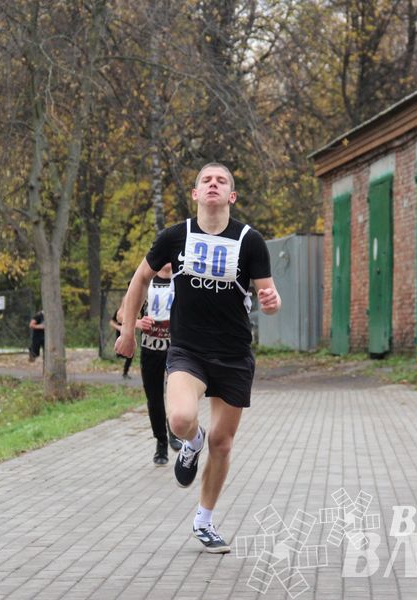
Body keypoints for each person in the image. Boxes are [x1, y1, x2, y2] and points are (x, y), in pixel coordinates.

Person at [115, 162, 281, 554]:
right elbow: (140, 278)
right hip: (188, 349)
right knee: (181, 419)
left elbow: (268, 297)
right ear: (195, 194)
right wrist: (126, 331)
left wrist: (272, 303)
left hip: (234, 354)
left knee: (222, 444)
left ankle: (204, 521)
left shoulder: (249, 240)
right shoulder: (174, 236)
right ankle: (191, 443)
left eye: (221, 181)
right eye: (206, 180)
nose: (213, 184)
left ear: (231, 196)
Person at [135, 263, 181, 465]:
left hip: (177, 348)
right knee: (154, 398)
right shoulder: (145, 282)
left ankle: (174, 431)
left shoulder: (181, 281)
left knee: (177, 393)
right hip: (151, 348)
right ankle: (161, 442)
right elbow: (121, 314)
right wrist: (138, 322)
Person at [109, 308, 133, 379]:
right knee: (120, 353)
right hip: (120, 336)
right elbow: (111, 322)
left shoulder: (134, 310)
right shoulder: (120, 310)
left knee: (130, 355)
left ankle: (125, 373)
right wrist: (119, 327)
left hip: (129, 336)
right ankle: (116, 361)